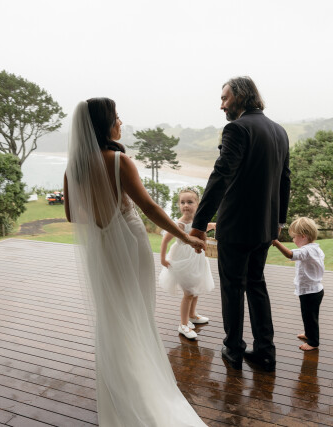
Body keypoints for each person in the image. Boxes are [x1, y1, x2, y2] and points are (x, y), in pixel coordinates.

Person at [63, 98, 207, 426]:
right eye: (116, 117)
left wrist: (102, 223)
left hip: (101, 248)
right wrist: (186, 238)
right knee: (138, 312)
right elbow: (150, 208)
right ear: (104, 124)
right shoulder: (119, 161)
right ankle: (145, 385)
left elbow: (72, 215)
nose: (120, 122)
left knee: (113, 313)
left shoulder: (74, 167)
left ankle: (121, 387)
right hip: (129, 243)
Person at [190, 76, 291, 371]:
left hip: (236, 226)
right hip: (266, 227)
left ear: (242, 96)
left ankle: (233, 349)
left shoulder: (237, 128)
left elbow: (221, 175)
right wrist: (279, 220)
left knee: (233, 287)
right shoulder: (279, 131)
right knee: (256, 284)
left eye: (225, 98)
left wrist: (199, 222)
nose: (221, 105)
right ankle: (266, 351)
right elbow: (285, 179)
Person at [159, 187, 216, 340]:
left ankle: (192, 315)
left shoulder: (198, 220)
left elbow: (203, 227)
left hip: (197, 259)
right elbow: (165, 240)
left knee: (195, 289)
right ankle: (183, 324)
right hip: (183, 260)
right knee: (189, 293)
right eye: (182, 202)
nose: (185, 205)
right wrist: (163, 258)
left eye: (190, 202)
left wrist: (213, 225)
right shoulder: (180, 224)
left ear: (197, 204)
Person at [271, 217, 325, 351]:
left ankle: (313, 342)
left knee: (310, 317)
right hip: (314, 290)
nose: (293, 240)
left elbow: (290, 254)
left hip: (310, 291)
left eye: (294, 237)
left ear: (303, 236)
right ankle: (308, 334)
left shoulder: (306, 250)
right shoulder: (315, 249)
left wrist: (276, 243)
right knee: (308, 315)